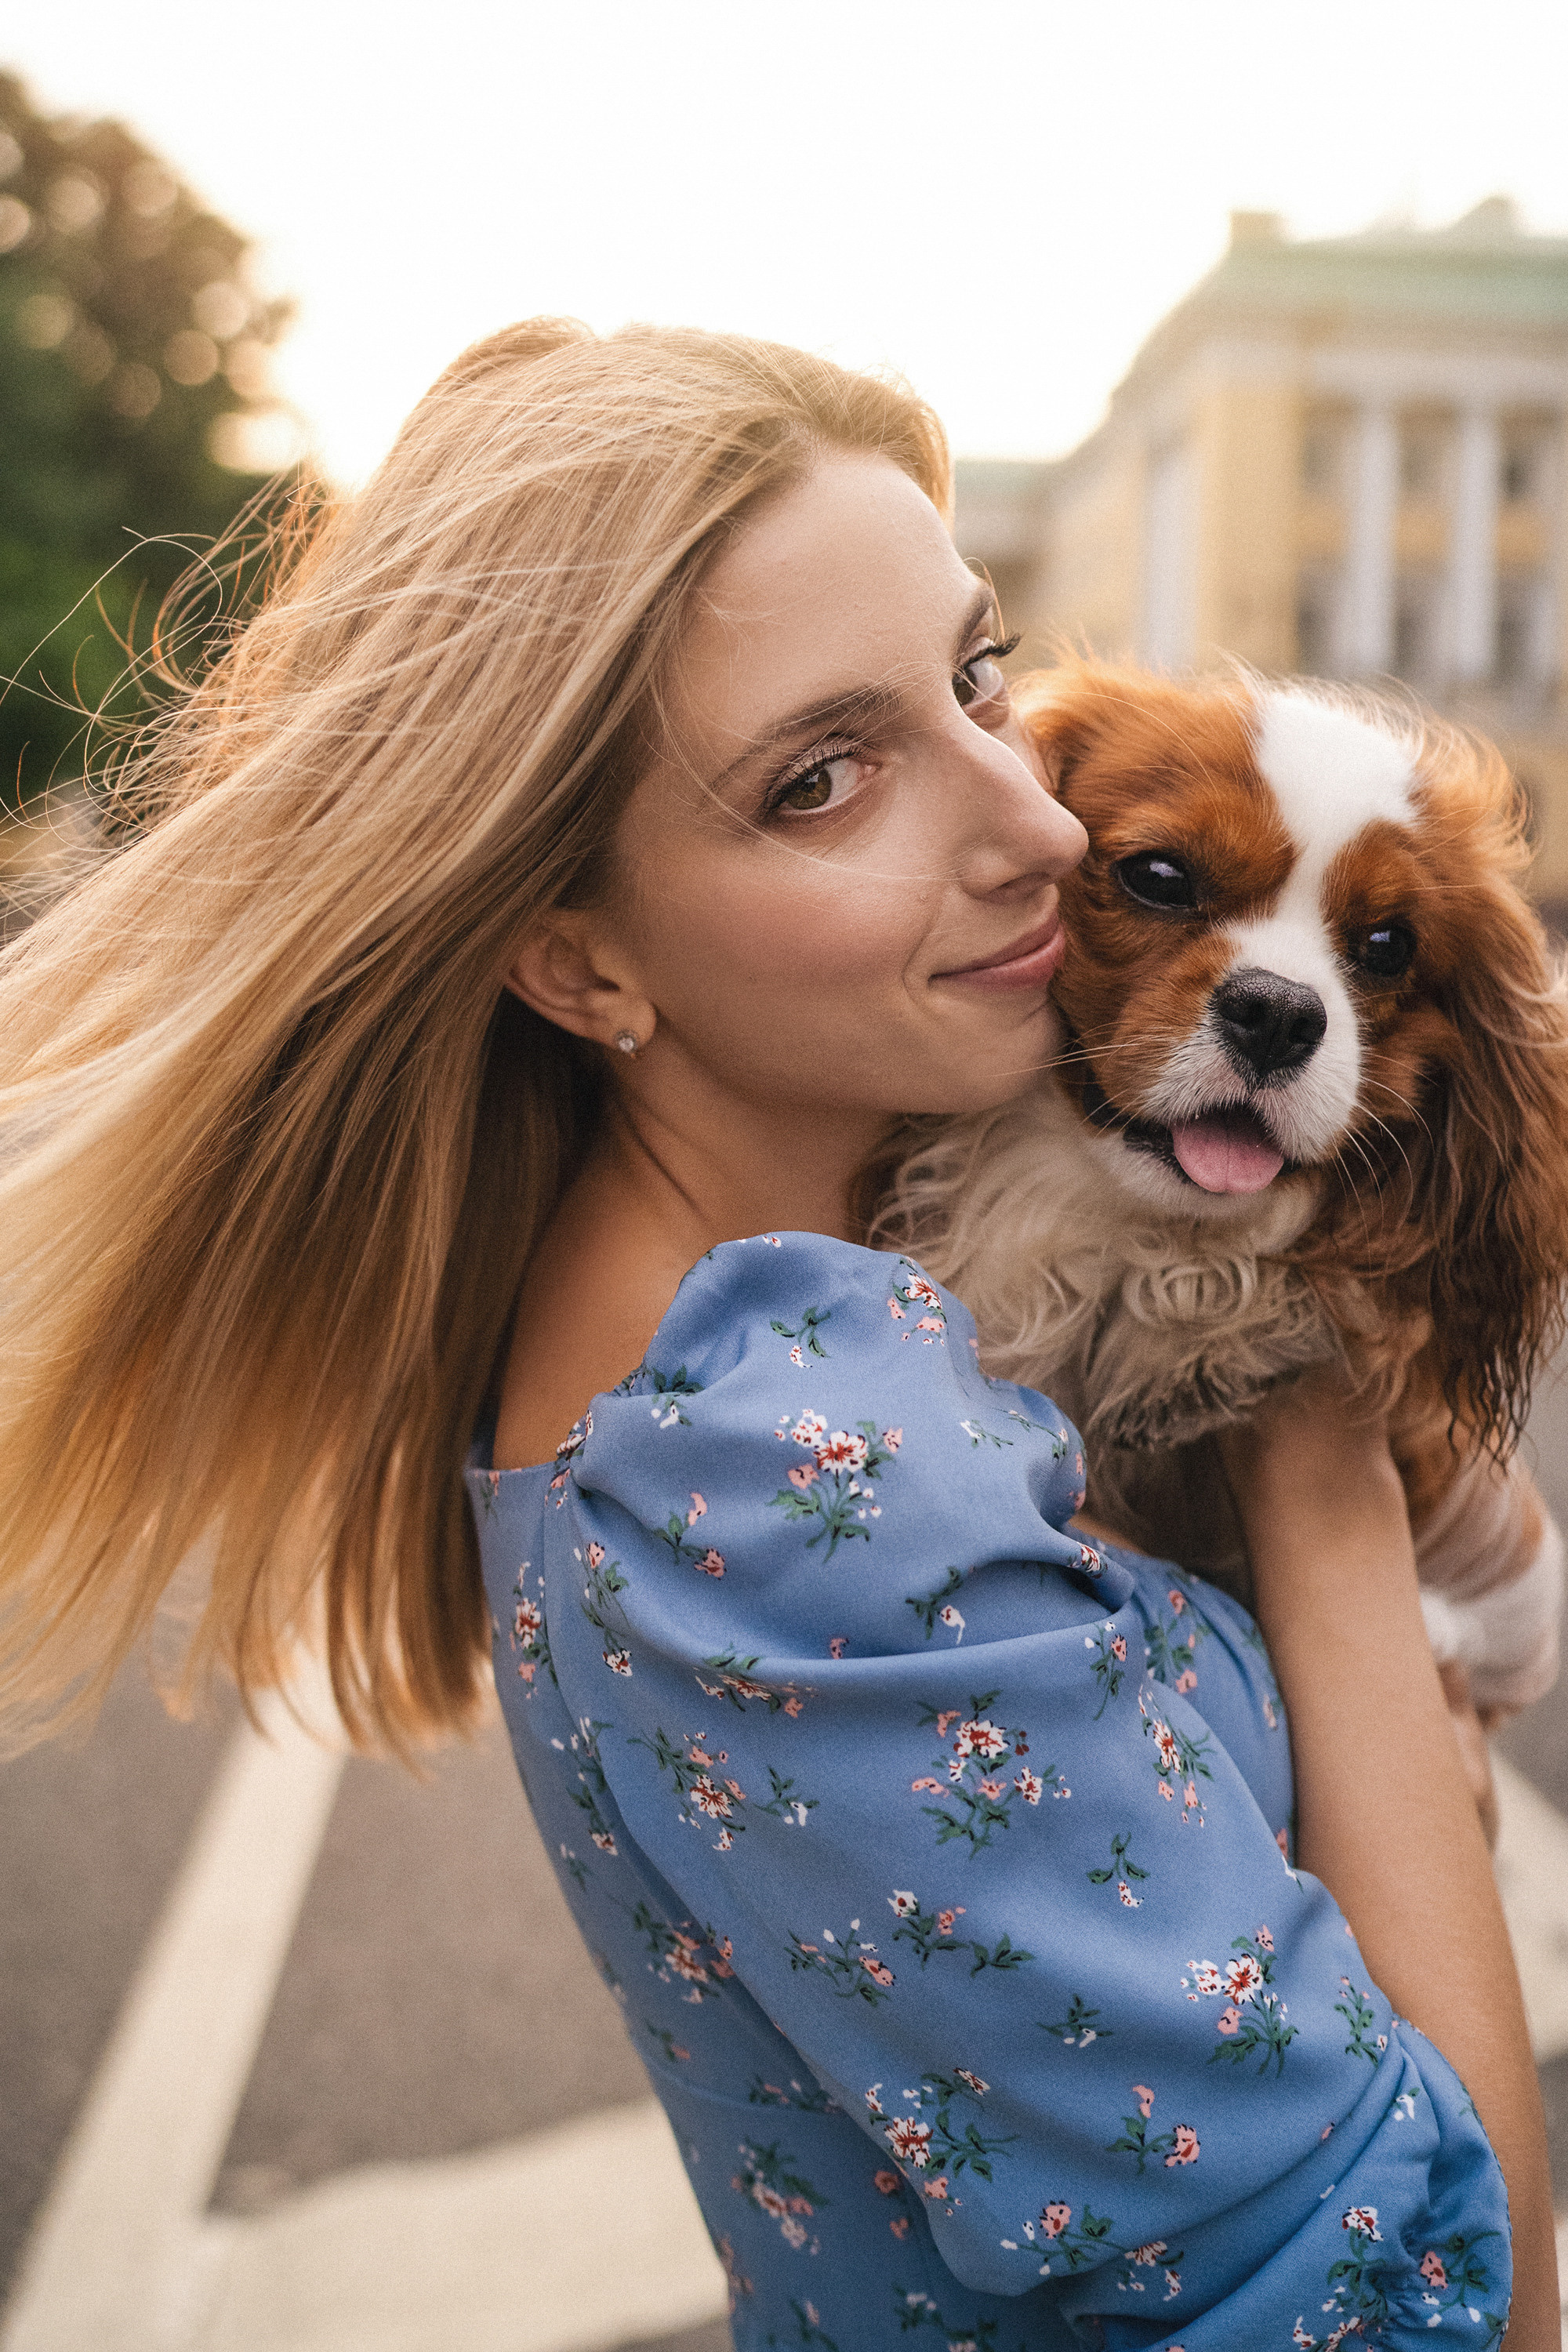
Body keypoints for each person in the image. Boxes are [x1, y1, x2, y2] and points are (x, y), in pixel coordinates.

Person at [0, 319, 1553, 2344]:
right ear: (573, 952)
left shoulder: (790, 1321)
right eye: (824, 780)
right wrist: (1330, 1484)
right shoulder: (798, 1496)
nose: (1040, 822)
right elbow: (1444, 2296)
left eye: (977, 676)